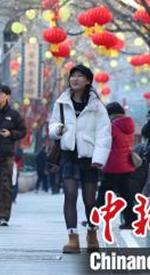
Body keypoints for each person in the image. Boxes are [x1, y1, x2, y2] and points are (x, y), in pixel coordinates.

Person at [49, 64, 111, 255]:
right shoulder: (61, 102)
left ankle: (91, 232)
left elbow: (104, 134)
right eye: (72, 76)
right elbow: (52, 125)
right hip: (69, 155)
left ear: (88, 81)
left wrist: (99, 158)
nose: (74, 79)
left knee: (90, 200)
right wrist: (58, 129)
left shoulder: (97, 107)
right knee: (70, 194)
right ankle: (72, 237)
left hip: (89, 158)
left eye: (79, 76)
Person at [0, 85, 26, 225]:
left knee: (5, 185)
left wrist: (11, 134)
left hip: (6, 154)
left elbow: (23, 131)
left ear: (8, 96)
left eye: (1, 93)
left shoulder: (13, 114)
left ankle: (3, 215)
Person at [96, 102, 136, 229]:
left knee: (103, 194)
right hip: (126, 165)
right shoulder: (128, 125)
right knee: (125, 195)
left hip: (113, 166)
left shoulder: (112, 126)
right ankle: (130, 221)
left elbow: (103, 142)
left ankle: (93, 220)